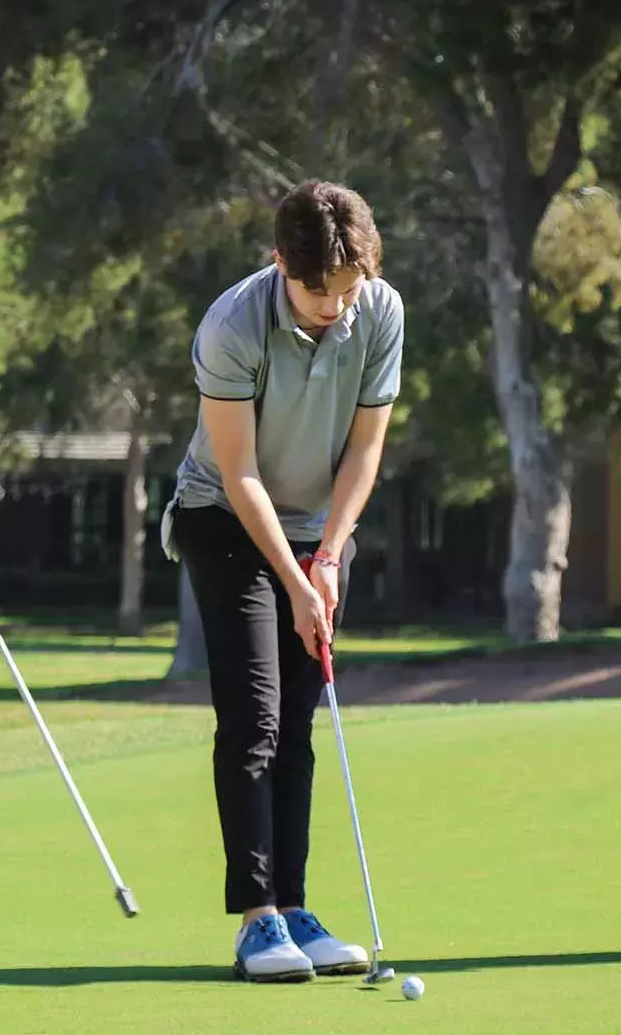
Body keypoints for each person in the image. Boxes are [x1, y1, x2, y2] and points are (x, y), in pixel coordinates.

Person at [161, 179, 405, 982]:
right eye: (315, 291)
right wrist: (296, 583)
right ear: (279, 264)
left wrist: (328, 558)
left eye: (348, 289)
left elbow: (365, 452)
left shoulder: (380, 311)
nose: (334, 307)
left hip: (318, 528)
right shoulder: (234, 324)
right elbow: (240, 475)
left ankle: (296, 907)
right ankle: (257, 920)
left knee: (300, 717)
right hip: (227, 520)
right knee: (256, 717)